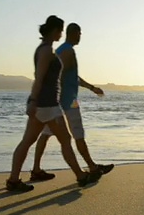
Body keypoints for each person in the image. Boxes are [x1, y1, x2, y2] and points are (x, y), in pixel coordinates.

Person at [6, 16, 101, 192]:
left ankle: (13, 180)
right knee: (65, 139)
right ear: (55, 30)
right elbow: (39, 77)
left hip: (45, 105)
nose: (61, 34)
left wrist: (34, 102)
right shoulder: (46, 51)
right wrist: (33, 101)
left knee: (28, 141)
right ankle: (80, 176)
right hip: (48, 105)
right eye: (60, 30)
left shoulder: (46, 49)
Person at [30, 23, 114, 181]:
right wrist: (56, 96)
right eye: (80, 33)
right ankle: (92, 167)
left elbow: (72, 76)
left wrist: (91, 87)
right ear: (74, 33)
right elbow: (59, 76)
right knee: (78, 133)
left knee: (46, 133)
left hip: (59, 101)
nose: (80, 36)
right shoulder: (67, 51)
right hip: (68, 101)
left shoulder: (62, 50)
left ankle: (36, 169)